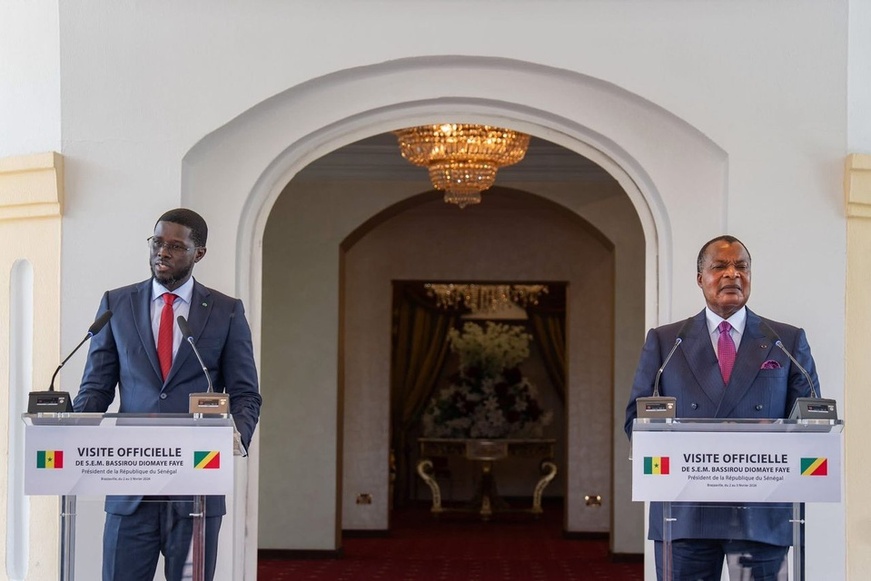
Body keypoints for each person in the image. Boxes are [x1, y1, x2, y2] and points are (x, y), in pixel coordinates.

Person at [73, 208, 262, 581]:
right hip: (131, 487)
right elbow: (96, 387)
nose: (163, 252)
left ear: (199, 253)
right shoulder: (117, 304)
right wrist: (72, 428)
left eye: (176, 246)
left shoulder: (225, 312)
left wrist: (236, 434)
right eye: (157, 242)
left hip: (196, 487)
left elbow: (245, 393)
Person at [624, 235, 819, 581]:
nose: (732, 274)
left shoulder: (785, 341)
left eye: (741, 266)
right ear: (700, 278)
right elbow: (635, 420)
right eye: (720, 266)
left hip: (763, 509)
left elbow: (812, 422)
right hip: (684, 510)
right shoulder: (667, 341)